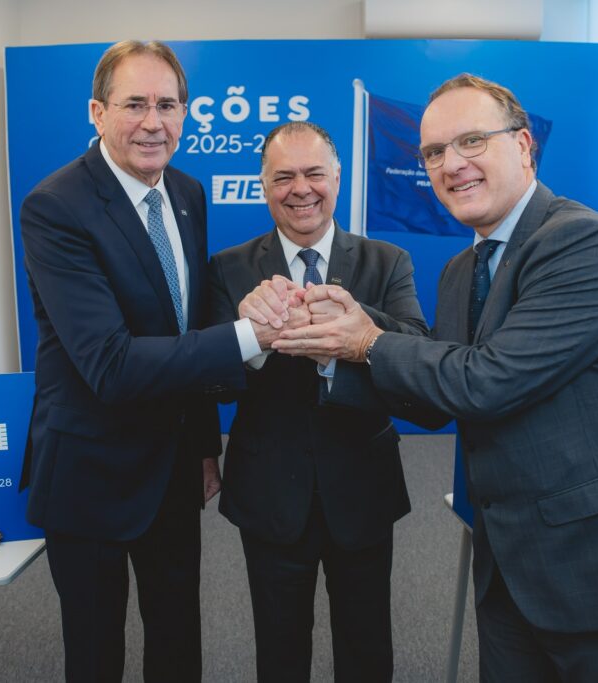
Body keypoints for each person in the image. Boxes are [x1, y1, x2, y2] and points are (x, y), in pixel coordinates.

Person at [272, 74, 598, 682]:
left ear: (523, 145)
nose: (452, 164)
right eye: (434, 152)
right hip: (507, 568)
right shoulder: (460, 269)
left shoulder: (581, 241)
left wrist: (366, 341)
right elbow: (434, 400)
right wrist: (342, 333)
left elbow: (487, 381)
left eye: (471, 141)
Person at [18, 40, 286, 682]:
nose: (152, 122)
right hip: (90, 474)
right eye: (134, 104)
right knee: (95, 653)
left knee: (177, 636)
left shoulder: (187, 193)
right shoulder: (55, 207)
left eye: (167, 105)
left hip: (171, 467)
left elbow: (183, 328)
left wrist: (203, 446)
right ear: (97, 112)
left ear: (186, 113)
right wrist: (249, 336)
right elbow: (109, 363)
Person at [208, 121, 427, 682]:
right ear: (263, 186)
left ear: (337, 178)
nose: (301, 189)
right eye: (284, 177)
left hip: (362, 487)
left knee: (366, 646)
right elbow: (212, 383)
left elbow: (416, 352)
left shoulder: (387, 260)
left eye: (314, 174)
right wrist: (252, 338)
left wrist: (352, 329)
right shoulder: (229, 268)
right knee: (279, 649)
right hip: (269, 492)